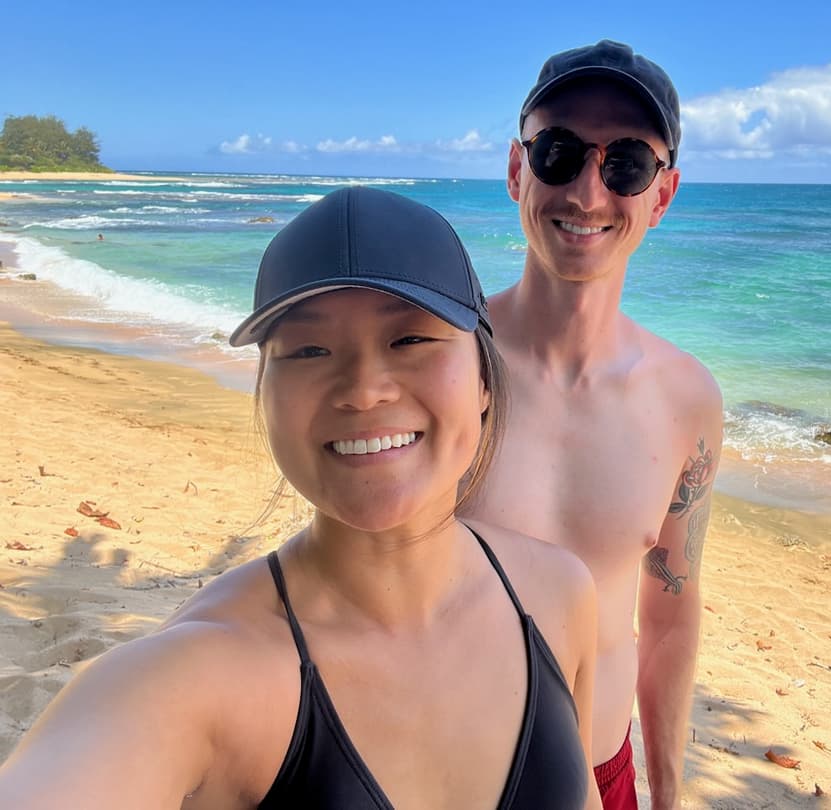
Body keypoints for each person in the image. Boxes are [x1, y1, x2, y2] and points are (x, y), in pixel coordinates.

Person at [0, 187, 602, 810]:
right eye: (309, 351)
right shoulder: (192, 677)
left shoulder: (558, 594)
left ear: (483, 377)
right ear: (265, 393)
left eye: (410, 340)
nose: (364, 391)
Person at [465, 40, 724, 810]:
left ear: (663, 193)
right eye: (559, 151)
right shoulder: (437, 361)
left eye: (626, 165)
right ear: (518, 169)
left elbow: (671, 613)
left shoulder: (687, 401)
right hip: (439, 773)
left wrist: (666, 791)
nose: (586, 192)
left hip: (604, 775)